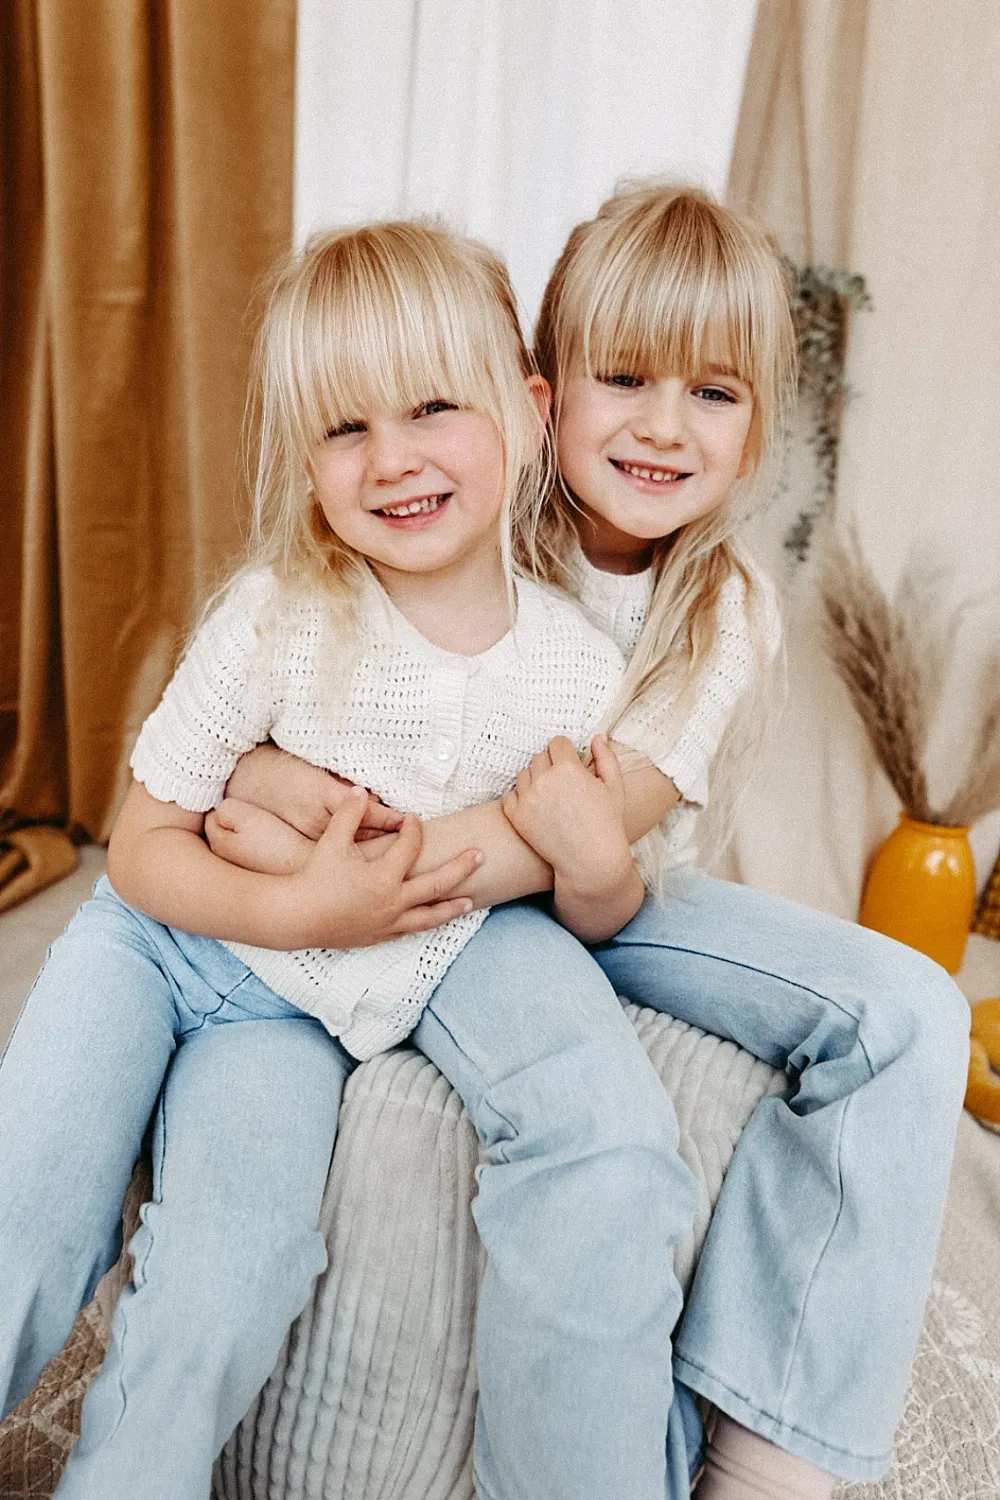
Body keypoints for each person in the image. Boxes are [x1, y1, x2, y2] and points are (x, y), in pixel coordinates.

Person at [214, 186, 970, 1500]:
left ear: (759, 430)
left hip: (620, 899)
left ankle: (772, 1450)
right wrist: (285, 802)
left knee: (909, 1009)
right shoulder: (475, 516)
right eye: (624, 377)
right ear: (542, 392)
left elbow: (599, 851)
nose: (665, 427)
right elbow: (295, 694)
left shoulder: (721, 606)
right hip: (482, 897)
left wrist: (414, 861)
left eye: (714, 394)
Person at [0, 220, 695, 1499]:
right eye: (344, 428)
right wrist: (304, 897)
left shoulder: (575, 678)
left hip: (291, 1026)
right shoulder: (281, 610)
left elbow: (579, 897)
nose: (393, 460)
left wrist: (590, 876)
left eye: (434, 406)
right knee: (25, 1219)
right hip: (160, 952)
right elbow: (144, 846)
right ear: (304, 458)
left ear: (530, 413)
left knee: (239, 1270)